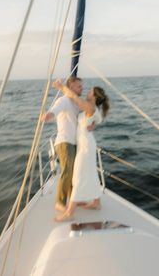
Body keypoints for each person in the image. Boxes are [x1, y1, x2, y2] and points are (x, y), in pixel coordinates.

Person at [52, 79, 110, 221]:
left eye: (90, 91)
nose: (86, 91)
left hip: (85, 146)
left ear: (94, 97)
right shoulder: (90, 108)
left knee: (77, 175)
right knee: (90, 172)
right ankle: (96, 202)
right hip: (85, 144)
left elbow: (74, 97)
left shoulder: (90, 107)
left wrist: (62, 87)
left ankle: (69, 212)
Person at [42, 76, 83, 212]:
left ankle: (73, 198)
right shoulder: (64, 100)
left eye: (81, 86)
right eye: (78, 86)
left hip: (73, 142)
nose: (81, 88)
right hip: (64, 141)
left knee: (74, 172)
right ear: (70, 88)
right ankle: (59, 202)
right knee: (67, 171)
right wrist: (48, 115)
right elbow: (55, 109)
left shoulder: (76, 103)